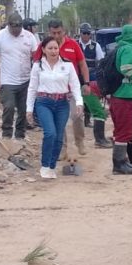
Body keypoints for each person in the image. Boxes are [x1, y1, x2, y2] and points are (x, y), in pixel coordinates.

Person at [26, 38, 83, 179]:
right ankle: (44, 165)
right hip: (43, 102)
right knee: (50, 133)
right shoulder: (38, 66)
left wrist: (79, 102)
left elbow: (75, 85)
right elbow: (32, 88)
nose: (53, 51)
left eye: (56, 48)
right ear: (44, 49)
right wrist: (29, 109)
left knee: (58, 137)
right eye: (50, 48)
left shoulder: (67, 65)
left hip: (62, 103)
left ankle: (52, 166)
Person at [0, 13, 39, 140]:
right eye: (13, 28)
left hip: (26, 80)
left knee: (23, 109)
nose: (16, 31)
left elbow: (37, 57)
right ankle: (6, 133)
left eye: (19, 27)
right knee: (9, 107)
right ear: (9, 25)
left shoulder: (29, 37)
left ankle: (20, 135)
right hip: (8, 81)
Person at [46, 20, 91, 160]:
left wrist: (87, 83)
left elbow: (82, 65)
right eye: (53, 33)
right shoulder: (45, 47)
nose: (57, 35)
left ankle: (80, 141)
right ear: (49, 32)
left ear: (63, 31)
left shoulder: (73, 45)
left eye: (59, 32)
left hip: (72, 88)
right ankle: (62, 148)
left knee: (77, 116)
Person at [109, 25, 132, 175]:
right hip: (125, 95)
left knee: (120, 130)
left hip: (117, 95)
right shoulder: (128, 48)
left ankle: (121, 161)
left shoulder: (119, 47)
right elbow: (126, 69)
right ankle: (119, 164)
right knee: (125, 131)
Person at [78, 22, 111, 149]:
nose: (86, 36)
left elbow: (100, 62)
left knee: (92, 103)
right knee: (88, 105)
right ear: (80, 33)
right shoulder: (76, 45)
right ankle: (98, 138)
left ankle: (88, 121)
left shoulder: (95, 46)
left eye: (88, 33)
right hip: (79, 77)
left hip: (91, 76)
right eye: (84, 33)